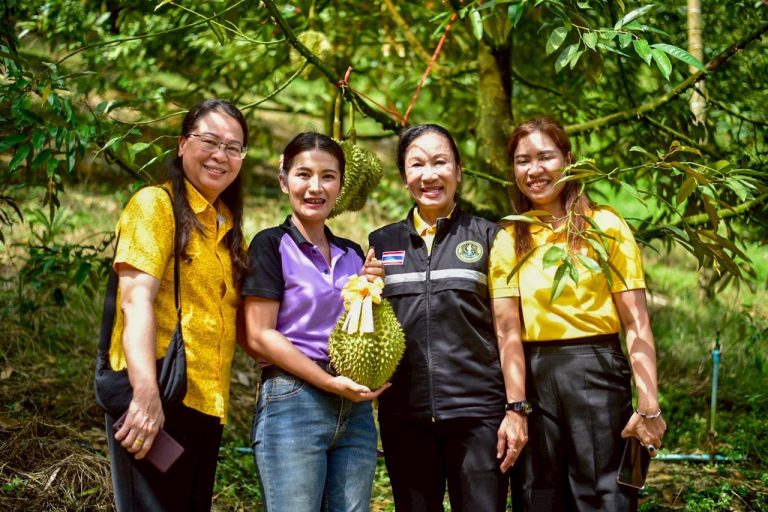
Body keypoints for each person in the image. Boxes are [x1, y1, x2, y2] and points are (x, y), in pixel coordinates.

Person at [505, 117, 667, 511]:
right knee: (537, 494)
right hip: (534, 375)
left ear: (569, 160)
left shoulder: (606, 225)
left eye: (546, 157)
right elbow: (506, 331)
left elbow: (636, 322)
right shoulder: (509, 237)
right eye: (523, 161)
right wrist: (515, 408)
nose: (534, 170)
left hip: (597, 369)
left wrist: (649, 407)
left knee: (605, 493)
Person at [368, 124, 528, 512]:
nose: (429, 175)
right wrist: (362, 292)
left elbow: (508, 329)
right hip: (404, 416)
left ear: (458, 170)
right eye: (417, 164)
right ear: (404, 175)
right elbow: (370, 331)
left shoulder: (491, 237)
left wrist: (516, 409)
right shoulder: (381, 243)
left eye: (440, 162)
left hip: (478, 415)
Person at [106, 98, 249, 510]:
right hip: (157, 393)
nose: (220, 155)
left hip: (206, 403)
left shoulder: (226, 229)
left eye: (233, 147)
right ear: (183, 144)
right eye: (210, 141)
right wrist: (145, 393)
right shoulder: (155, 205)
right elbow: (135, 300)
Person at [240, 132, 388, 512]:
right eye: (303, 174)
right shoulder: (270, 245)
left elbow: (363, 331)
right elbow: (259, 335)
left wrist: (372, 288)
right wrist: (328, 382)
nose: (315, 187)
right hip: (293, 399)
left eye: (328, 176)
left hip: (354, 409)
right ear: (283, 180)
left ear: (341, 186)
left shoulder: (353, 253)